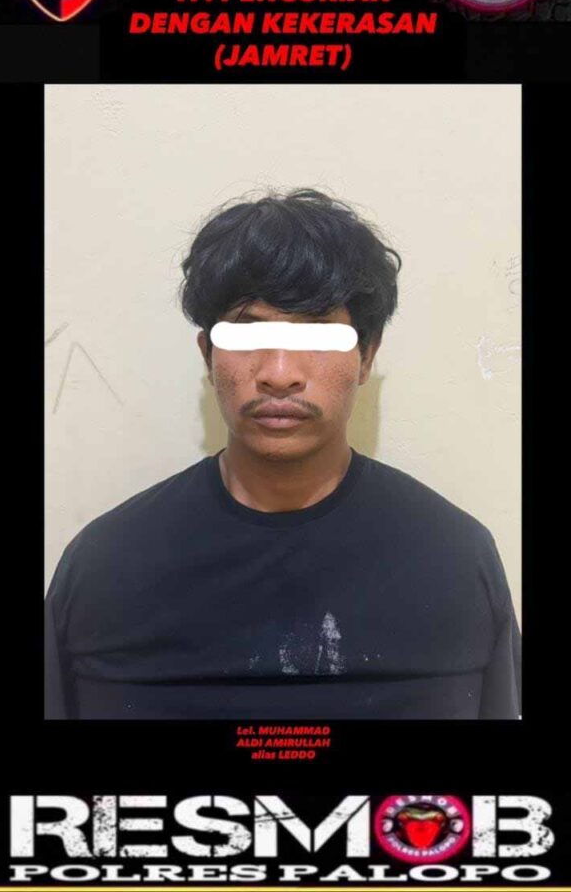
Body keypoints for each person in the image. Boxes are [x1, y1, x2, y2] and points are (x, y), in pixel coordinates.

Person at [45, 189, 521, 720]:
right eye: (248, 335)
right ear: (208, 356)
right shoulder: (107, 568)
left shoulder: (453, 560)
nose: (278, 373)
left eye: (318, 336)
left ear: (366, 356)